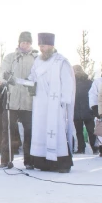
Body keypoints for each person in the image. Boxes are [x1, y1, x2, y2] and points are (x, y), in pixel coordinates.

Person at [28, 33, 76, 173]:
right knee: (41, 131)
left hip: (55, 104)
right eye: (40, 46)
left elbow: (67, 82)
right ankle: (44, 163)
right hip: (40, 103)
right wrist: (25, 81)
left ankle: (61, 164)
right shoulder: (37, 61)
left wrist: (64, 101)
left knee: (57, 132)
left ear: (51, 45)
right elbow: (33, 76)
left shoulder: (61, 61)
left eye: (43, 46)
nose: (41, 49)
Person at [0, 32, 36, 168]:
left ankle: (30, 161)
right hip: (11, 100)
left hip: (29, 101)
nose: (25, 45)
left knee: (30, 131)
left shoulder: (36, 58)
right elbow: (1, 73)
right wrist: (5, 76)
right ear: (19, 43)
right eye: (23, 42)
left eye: (27, 42)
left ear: (31, 43)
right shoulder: (11, 57)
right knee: (8, 130)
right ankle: (6, 159)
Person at [72, 65, 96, 154]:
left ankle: (82, 148)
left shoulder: (72, 83)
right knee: (90, 131)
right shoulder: (88, 82)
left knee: (81, 131)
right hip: (86, 110)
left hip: (79, 110)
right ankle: (93, 148)